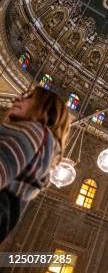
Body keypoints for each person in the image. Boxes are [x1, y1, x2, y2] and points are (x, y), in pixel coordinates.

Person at [0, 87, 70, 242]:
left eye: (28, 97)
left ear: (46, 107)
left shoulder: (34, 131)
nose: (17, 99)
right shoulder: (43, 142)